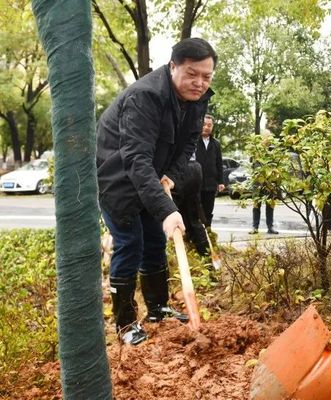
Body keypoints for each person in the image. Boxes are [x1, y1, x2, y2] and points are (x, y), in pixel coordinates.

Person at [96, 38, 216, 345]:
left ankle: (158, 308)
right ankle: (124, 324)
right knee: (130, 244)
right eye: (192, 73)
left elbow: (188, 144)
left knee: (153, 242)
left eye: (206, 76)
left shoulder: (197, 100)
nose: (199, 82)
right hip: (118, 179)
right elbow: (135, 159)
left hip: (152, 180)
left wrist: (170, 179)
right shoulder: (145, 97)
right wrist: (167, 209)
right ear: (173, 66)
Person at [172, 160, 209, 257]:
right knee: (192, 216)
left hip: (179, 168)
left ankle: (202, 255)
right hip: (193, 167)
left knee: (177, 214)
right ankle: (203, 256)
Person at [195, 114, 224, 228]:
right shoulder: (193, 141)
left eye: (209, 125)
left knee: (208, 210)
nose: (206, 127)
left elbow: (219, 163)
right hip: (196, 183)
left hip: (211, 184)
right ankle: (195, 235)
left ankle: (208, 231)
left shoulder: (216, 143)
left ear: (212, 127)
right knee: (195, 210)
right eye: (204, 124)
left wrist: (221, 182)